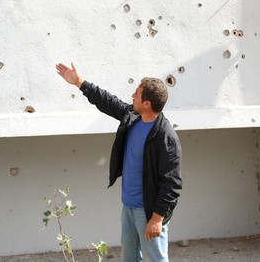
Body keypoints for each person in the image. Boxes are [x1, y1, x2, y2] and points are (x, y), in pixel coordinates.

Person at [56, 62, 182, 262]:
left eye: (137, 93)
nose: (132, 95)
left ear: (147, 103)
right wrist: (79, 82)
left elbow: (172, 183)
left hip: (148, 211)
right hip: (129, 207)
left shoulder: (165, 136)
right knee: (130, 259)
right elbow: (107, 101)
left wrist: (157, 219)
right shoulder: (132, 117)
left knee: (156, 259)